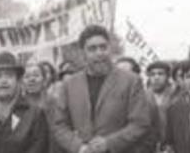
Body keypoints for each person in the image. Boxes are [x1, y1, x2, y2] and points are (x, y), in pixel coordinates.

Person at [49, 24, 152, 153]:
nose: (99, 53)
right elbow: (59, 125)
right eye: (92, 49)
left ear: (110, 49)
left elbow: (140, 123)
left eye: (103, 47)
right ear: (83, 53)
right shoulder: (69, 85)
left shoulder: (131, 81)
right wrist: (79, 147)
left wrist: (109, 143)